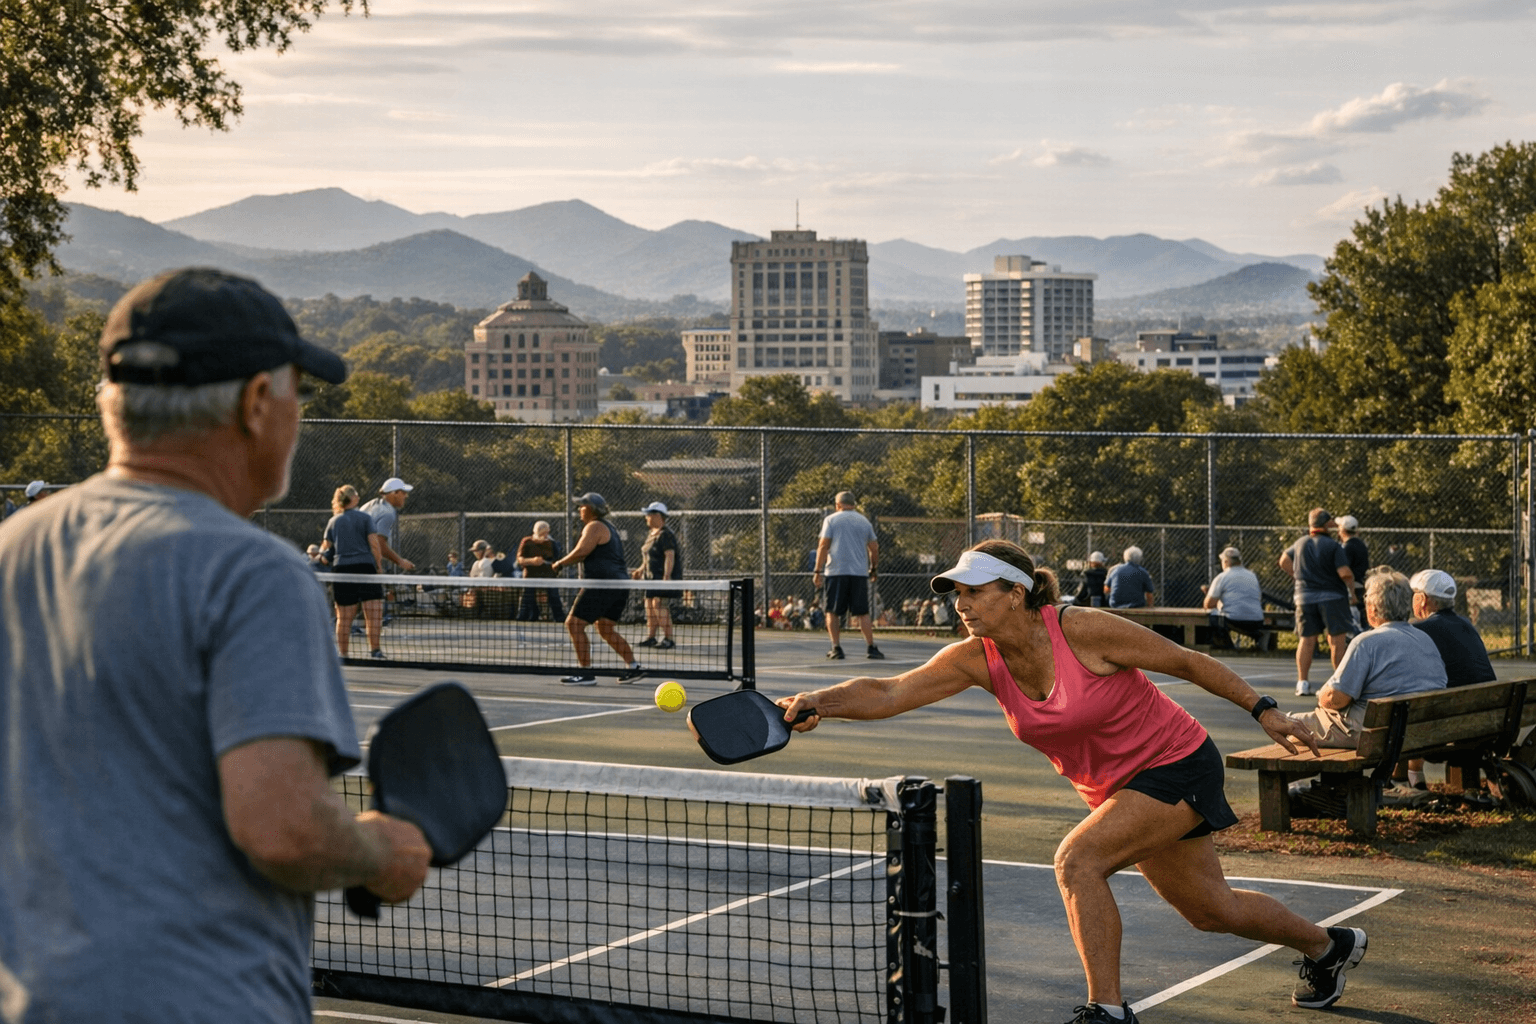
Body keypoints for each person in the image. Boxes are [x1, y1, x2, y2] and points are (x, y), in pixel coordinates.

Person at [0, 267, 429, 1022]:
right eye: (295, 389)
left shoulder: (14, 548)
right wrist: (380, 853)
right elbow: (283, 826)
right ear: (256, 403)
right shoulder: (254, 572)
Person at [776, 540, 1365, 1024]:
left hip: (1177, 761)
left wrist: (1264, 709)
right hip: (1118, 787)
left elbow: (1184, 661)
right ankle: (1326, 946)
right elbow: (888, 690)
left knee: (1077, 861)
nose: (962, 604)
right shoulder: (975, 657)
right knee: (1211, 910)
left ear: (1016, 593)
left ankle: (1106, 1011)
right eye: (957, 593)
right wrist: (819, 701)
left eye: (975, 592)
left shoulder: (1081, 628)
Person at [1410, 568, 1496, 795]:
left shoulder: (1419, 630)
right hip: (1487, 726)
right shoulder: (1467, 625)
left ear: (1422, 599)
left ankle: (1408, 781)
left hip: (1449, 732)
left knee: (1403, 701)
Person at [551, 492, 643, 686]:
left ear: (590, 509)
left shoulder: (594, 526)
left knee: (573, 624)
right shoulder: (609, 527)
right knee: (605, 628)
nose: (579, 510)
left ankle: (585, 673)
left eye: (582, 506)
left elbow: (582, 552)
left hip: (602, 585)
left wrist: (559, 564)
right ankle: (633, 667)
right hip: (619, 586)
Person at [1279, 508, 1356, 696]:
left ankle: (1302, 683)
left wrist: (1297, 577)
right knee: (1337, 641)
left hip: (1304, 598)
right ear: (1327, 524)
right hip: (1333, 598)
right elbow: (1344, 572)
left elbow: (1283, 561)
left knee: (1306, 640)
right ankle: (1339, 684)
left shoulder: (1299, 543)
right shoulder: (1333, 546)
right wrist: (1352, 590)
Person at [811, 490, 884, 660]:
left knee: (833, 611)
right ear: (853, 504)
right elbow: (874, 548)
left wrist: (817, 571)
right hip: (858, 573)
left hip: (836, 571)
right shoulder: (864, 521)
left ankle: (836, 647)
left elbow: (823, 546)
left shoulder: (831, 520)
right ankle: (871, 647)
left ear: (838, 505)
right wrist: (873, 568)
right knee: (862, 612)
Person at [321, 483, 390, 659]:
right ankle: (375, 651)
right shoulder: (365, 518)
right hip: (365, 569)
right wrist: (379, 566)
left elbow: (325, 551)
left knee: (343, 617)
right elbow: (374, 544)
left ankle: (343, 654)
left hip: (341, 571)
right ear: (355, 498)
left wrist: (323, 557)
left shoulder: (333, 521)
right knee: (373, 614)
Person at [632, 501, 682, 649]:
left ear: (657, 516)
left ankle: (668, 638)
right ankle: (651, 637)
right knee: (649, 606)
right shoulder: (651, 534)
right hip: (649, 579)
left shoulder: (666, 534)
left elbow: (669, 556)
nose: (646, 517)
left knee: (658, 605)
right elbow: (649, 557)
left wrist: (666, 577)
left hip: (661, 578)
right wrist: (640, 570)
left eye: (649, 514)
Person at [1201, 547, 1266, 649]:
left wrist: (1209, 594)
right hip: (1257, 620)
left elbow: (1208, 604)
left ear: (1226, 562)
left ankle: (1225, 645)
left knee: (1212, 615)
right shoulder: (1252, 576)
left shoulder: (1222, 577)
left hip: (1235, 620)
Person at [515, 520, 565, 622]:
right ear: (535, 532)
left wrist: (554, 566)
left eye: (546, 532)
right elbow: (520, 559)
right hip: (530, 576)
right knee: (527, 597)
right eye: (542, 533)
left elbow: (558, 560)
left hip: (549, 576)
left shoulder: (552, 543)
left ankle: (560, 618)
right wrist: (532, 561)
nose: (545, 535)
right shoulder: (526, 541)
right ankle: (526, 616)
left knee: (554, 597)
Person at [1337, 515, 1370, 636]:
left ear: (1343, 530)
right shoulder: (1361, 545)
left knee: (1352, 620)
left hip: (1351, 586)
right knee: (1361, 616)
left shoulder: (1347, 547)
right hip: (1360, 584)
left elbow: (1345, 571)